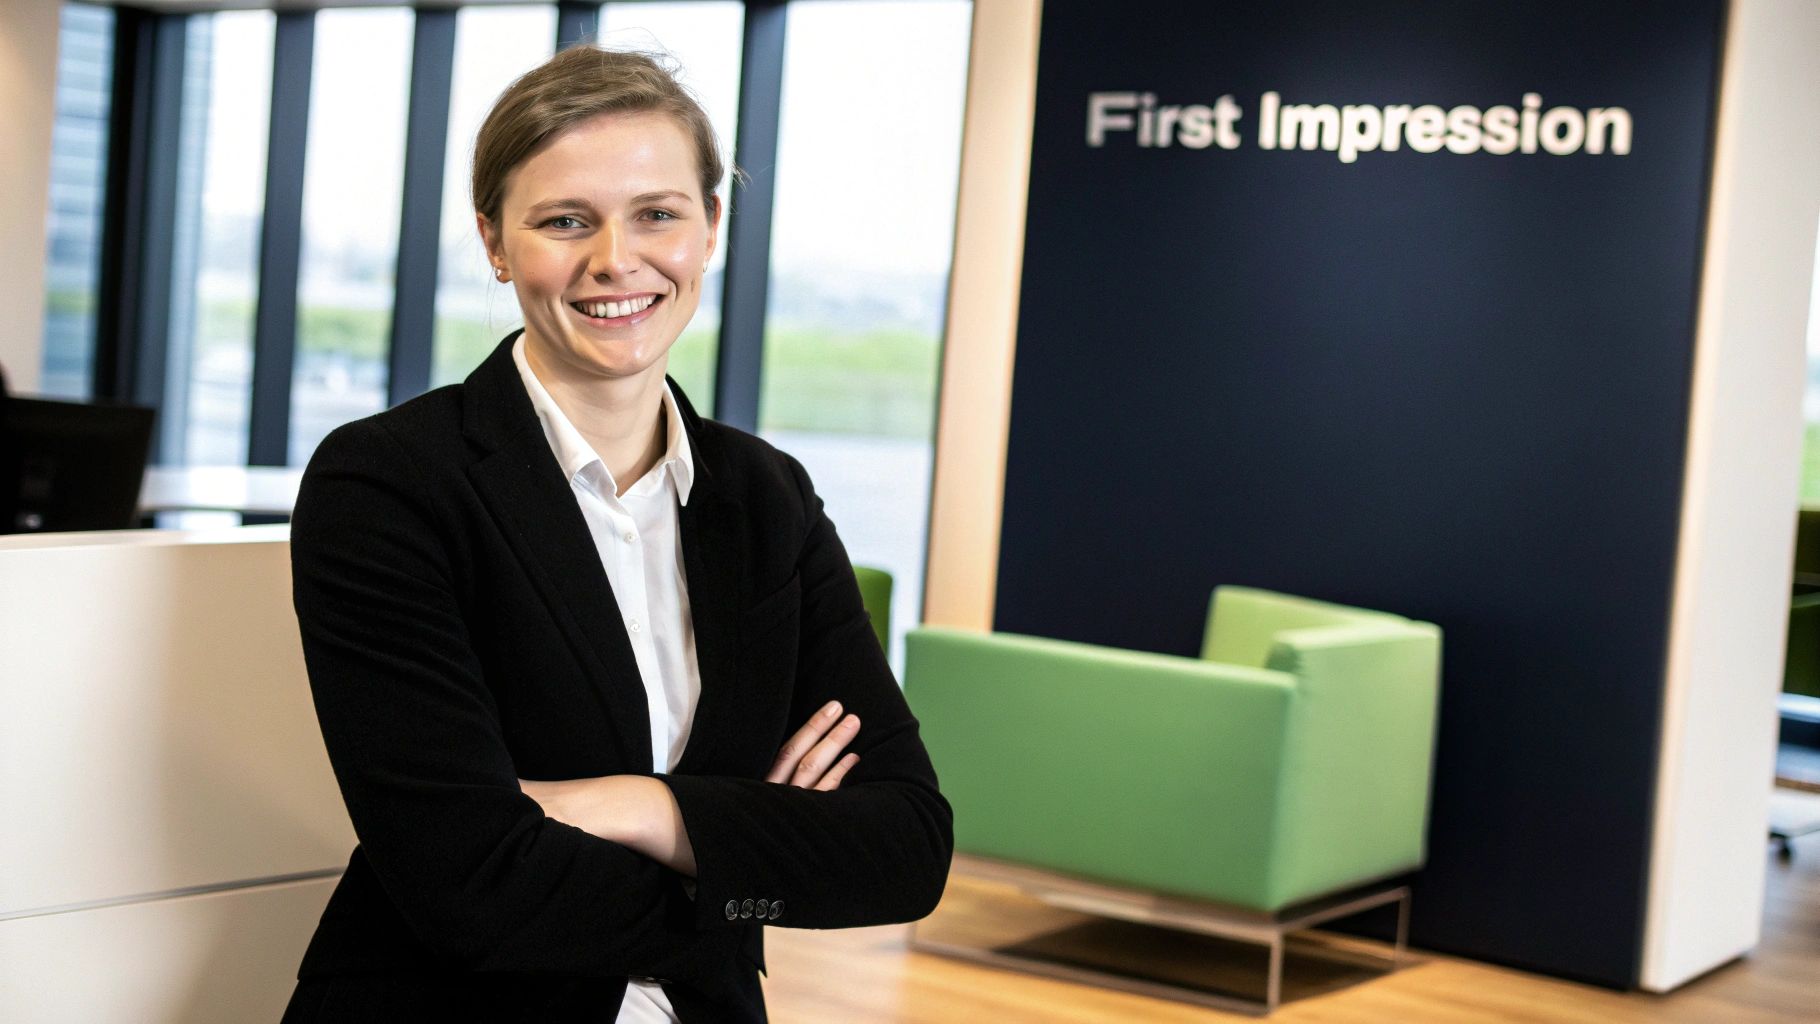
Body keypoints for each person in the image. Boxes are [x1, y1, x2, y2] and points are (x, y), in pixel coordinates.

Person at [280, 45, 952, 1023]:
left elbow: (904, 850)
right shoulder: (387, 484)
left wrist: (642, 805)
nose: (614, 260)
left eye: (657, 214)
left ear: (710, 228)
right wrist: (748, 852)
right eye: (564, 221)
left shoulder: (767, 499)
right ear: (495, 242)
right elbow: (464, 883)